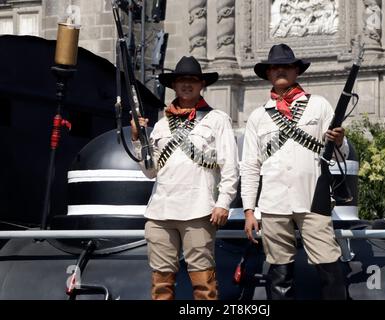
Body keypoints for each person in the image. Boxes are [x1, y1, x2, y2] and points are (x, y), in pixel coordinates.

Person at [240, 43, 348, 300]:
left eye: (286, 66)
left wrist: (340, 141)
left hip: (313, 198)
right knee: (279, 271)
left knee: (329, 264)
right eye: (275, 67)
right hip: (273, 201)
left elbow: (338, 156)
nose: (280, 71)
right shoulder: (258, 116)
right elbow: (250, 166)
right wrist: (248, 210)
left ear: (296, 71)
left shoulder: (319, 105)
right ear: (267, 73)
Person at [131, 56, 239, 300]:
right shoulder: (160, 125)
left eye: (192, 80)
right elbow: (151, 171)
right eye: (181, 80)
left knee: (204, 284)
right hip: (161, 211)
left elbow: (230, 166)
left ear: (202, 85)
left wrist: (223, 202)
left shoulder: (217, 119)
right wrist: (139, 140)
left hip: (199, 210)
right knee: (161, 284)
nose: (186, 85)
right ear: (174, 86)